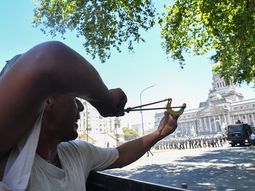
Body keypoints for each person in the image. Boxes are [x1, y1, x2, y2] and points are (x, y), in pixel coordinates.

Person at [0, 41, 185, 191]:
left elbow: (120, 155)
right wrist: (104, 99)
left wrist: (160, 133)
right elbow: (49, 58)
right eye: (74, 98)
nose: (80, 107)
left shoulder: (75, 153)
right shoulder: (8, 161)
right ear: (47, 100)